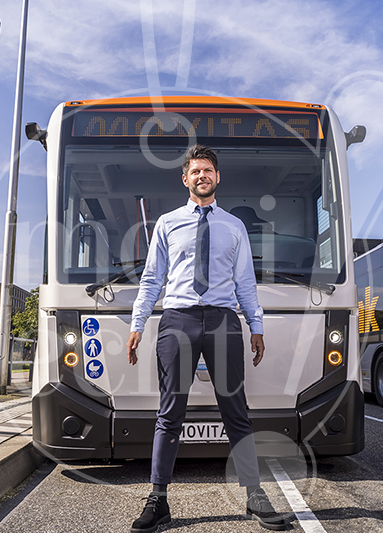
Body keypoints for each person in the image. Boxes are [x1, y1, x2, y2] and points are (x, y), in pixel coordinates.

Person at [127, 144, 287, 532]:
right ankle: (158, 500)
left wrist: (257, 326)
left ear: (218, 178)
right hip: (177, 320)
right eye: (195, 171)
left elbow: (245, 282)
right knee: (169, 414)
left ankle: (254, 495)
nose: (202, 176)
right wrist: (138, 323)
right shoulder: (166, 223)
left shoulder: (234, 226)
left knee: (236, 411)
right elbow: (152, 280)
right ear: (185, 179)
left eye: (208, 171)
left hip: (222, 321)